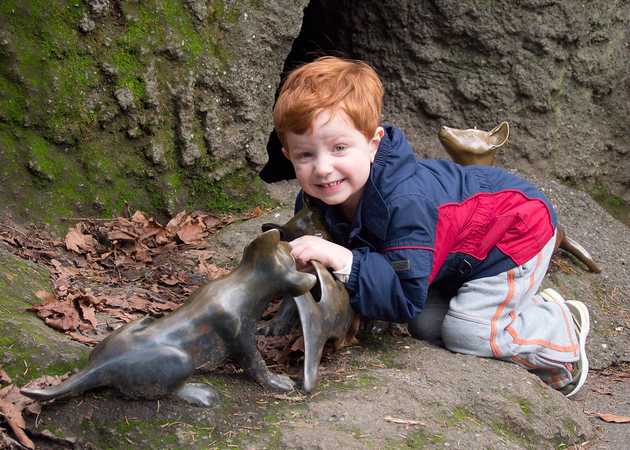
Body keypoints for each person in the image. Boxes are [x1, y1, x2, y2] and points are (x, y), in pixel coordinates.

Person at [261, 56, 590, 397]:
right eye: (306, 155)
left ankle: (559, 326)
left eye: (339, 148)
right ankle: (502, 305)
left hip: (513, 233)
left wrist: (346, 261)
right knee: (426, 324)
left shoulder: (406, 203)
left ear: (373, 144)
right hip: (455, 255)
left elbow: (403, 295)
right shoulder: (319, 198)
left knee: (468, 334)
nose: (323, 169)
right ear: (288, 155)